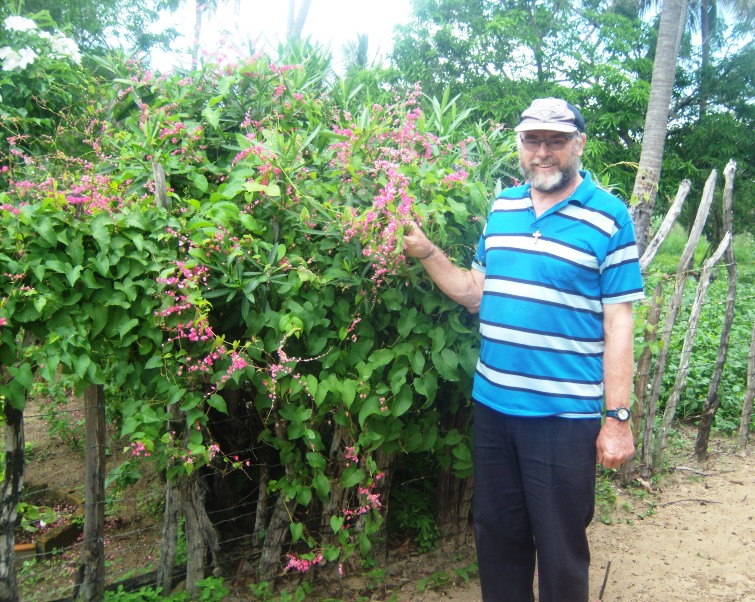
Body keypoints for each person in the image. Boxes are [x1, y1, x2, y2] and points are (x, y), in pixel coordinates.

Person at [403, 98, 645, 602]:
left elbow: (619, 322)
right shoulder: (504, 207)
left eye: (556, 141)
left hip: (563, 417)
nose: (543, 152)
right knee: (498, 543)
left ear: (577, 144)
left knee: (560, 553)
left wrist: (618, 418)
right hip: (494, 409)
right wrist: (427, 252)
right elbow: (476, 292)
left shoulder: (609, 217)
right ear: (520, 146)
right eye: (533, 140)